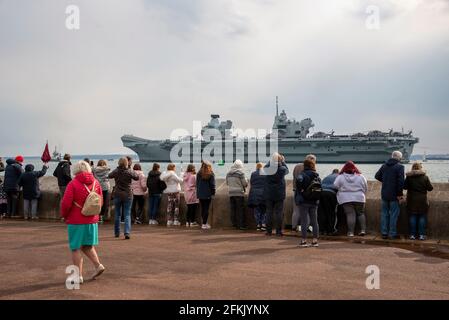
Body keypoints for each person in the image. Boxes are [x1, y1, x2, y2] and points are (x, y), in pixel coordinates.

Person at [60, 161, 105, 284]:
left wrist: (64, 215)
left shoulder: (73, 184)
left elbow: (66, 203)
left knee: (75, 248)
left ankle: (78, 276)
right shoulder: (96, 183)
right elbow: (100, 202)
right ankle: (98, 265)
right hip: (92, 220)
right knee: (87, 246)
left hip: (76, 220)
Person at [375, 151, 405, 240]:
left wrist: (385, 181)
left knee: (384, 214)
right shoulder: (400, 167)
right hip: (394, 195)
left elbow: (377, 176)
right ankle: (392, 234)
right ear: (399, 158)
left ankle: (384, 233)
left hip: (384, 194)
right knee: (394, 215)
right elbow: (401, 182)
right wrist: (400, 194)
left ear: (392, 156)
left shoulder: (384, 165)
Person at [334, 162, 367, 237]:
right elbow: (365, 187)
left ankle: (350, 232)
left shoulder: (341, 176)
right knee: (361, 213)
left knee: (350, 214)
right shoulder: (361, 176)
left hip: (346, 198)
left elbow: (335, 185)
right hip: (359, 197)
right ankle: (363, 230)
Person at [108, 157, 139, 239]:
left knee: (117, 214)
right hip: (128, 194)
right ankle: (127, 232)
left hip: (117, 193)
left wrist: (117, 170)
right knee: (127, 214)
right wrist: (130, 168)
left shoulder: (116, 171)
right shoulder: (129, 171)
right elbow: (136, 177)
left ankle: (117, 232)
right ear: (127, 163)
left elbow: (109, 175)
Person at [404, 162, 434, 240]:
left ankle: (412, 235)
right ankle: (421, 235)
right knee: (422, 217)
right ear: (420, 168)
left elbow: (405, 187)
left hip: (411, 200)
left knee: (413, 216)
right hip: (422, 200)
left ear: (412, 168)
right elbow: (430, 188)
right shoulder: (425, 177)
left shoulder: (409, 177)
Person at [296, 159, 321, 247]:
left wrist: (302, 191)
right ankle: (315, 240)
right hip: (314, 201)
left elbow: (298, 184)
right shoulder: (316, 175)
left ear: (304, 165)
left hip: (304, 201)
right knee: (314, 221)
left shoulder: (302, 175)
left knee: (304, 221)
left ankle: (304, 241)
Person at [264, 153, 289, 237]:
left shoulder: (267, 168)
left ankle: (268, 231)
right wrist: (282, 161)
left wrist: (271, 160)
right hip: (279, 193)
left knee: (269, 212)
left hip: (269, 193)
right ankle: (278, 231)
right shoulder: (282, 169)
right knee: (279, 212)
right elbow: (287, 170)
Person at [226, 159, 248, 230]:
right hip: (239, 193)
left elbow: (227, 183)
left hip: (231, 193)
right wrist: (246, 180)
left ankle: (234, 224)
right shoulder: (240, 173)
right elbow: (245, 184)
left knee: (233, 209)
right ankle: (241, 225)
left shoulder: (228, 173)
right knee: (240, 209)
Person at [318, 169, 339, 235]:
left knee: (321, 212)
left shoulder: (326, 177)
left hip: (321, 193)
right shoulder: (339, 177)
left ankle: (321, 230)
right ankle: (331, 230)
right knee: (331, 212)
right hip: (331, 193)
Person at [196, 161, 216, 230]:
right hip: (207, 194)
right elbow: (212, 185)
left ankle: (203, 223)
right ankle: (204, 224)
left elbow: (197, 183)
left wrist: (198, 192)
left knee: (203, 208)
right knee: (206, 209)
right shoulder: (211, 174)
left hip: (200, 193)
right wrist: (213, 193)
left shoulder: (199, 173)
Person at [248, 163, 267, 231]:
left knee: (256, 210)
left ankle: (258, 224)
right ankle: (263, 224)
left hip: (254, 194)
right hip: (263, 194)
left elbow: (251, 183)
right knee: (264, 210)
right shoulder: (265, 174)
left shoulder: (253, 174)